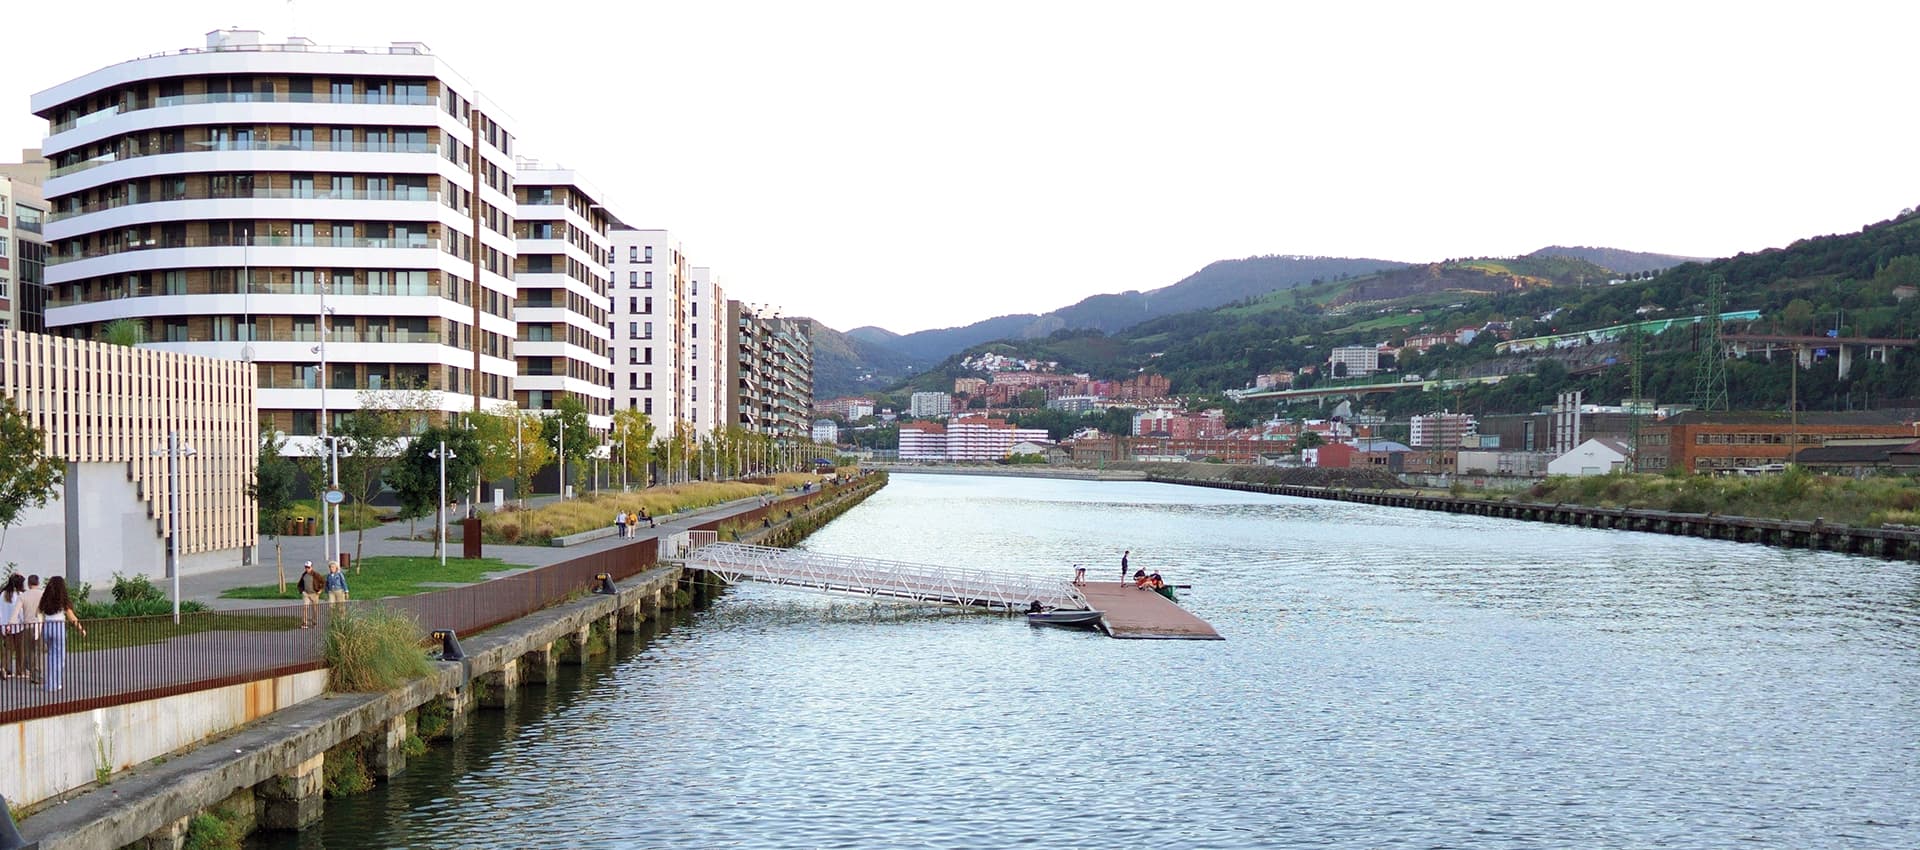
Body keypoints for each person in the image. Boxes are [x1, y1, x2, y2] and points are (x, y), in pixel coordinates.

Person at [36, 576, 86, 692]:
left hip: (47, 627)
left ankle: (49, 684)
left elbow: (38, 612)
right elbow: (72, 617)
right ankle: (56, 683)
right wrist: (81, 629)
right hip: (58, 627)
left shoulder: (45, 599)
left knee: (50, 656)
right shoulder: (62, 600)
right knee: (59, 657)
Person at [20, 575, 44, 684]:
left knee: (29, 650)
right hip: (38, 625)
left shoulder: (24, 595)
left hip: (27, 626)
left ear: (29, 584)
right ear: (38, 583)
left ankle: (32, 673)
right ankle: (37, 674)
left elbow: (19, 612)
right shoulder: (43, 594)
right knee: (38, 650)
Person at [1, 574, 24, 679]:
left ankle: (4, 668)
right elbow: (20, 612)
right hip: (18, 625)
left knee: (7, 649)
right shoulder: (19, 595)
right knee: (19, 649)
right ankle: (20, 670)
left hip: (4, 625)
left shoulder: (2, 595)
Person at [297, 562, 324, 628]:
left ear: (311, 567)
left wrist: (320, 590)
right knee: (305, 608)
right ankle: (304, 623)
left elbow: (323, 582)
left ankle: (314, 622)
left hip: (314, 594)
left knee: (314, 608)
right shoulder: (304, 575)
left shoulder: (316, 574)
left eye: (308, 567)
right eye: (306, 567)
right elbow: (299, 584)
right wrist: (302, 591)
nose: (307, 569)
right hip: (306, 594)